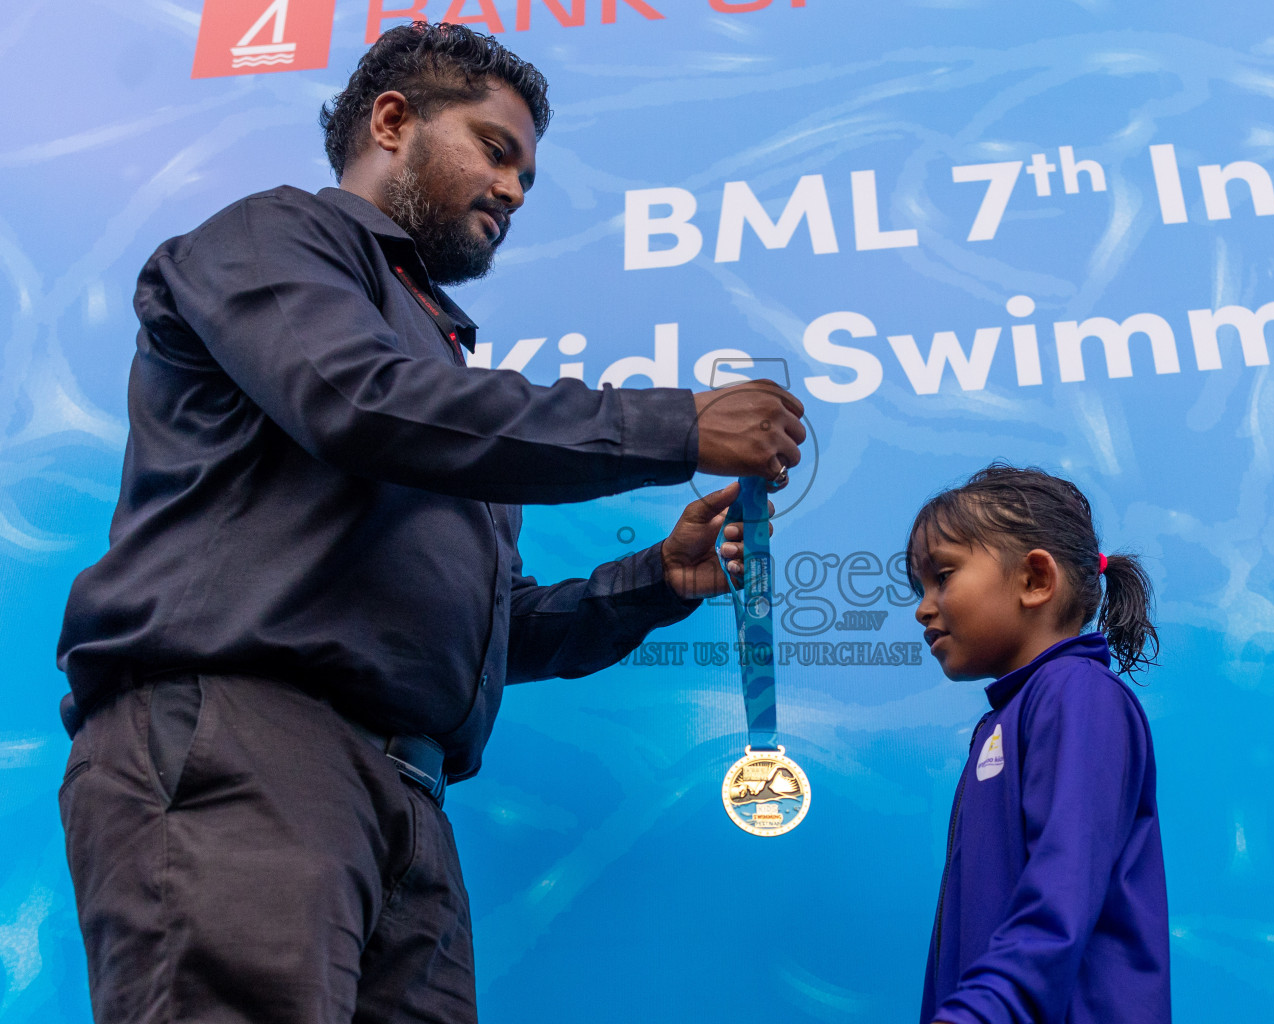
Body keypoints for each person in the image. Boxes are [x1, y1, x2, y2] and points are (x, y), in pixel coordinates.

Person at [54, 22, 804, 1024]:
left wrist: (656, 580)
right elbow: (353, 399)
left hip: (408, 800)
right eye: (496, 150)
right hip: (247, 745)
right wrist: (676, 423)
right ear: (393, 120)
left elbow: (487, 627)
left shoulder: (444, 388)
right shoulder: (272, 238)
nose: (513, 191)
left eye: (529, 178)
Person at [908, 464, 1171, 1024]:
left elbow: (1061, 894)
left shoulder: (1079, 695)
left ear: (1035, 580)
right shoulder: (1007, 718)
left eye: (943, 576)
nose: (923, 607)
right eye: (920, 587)